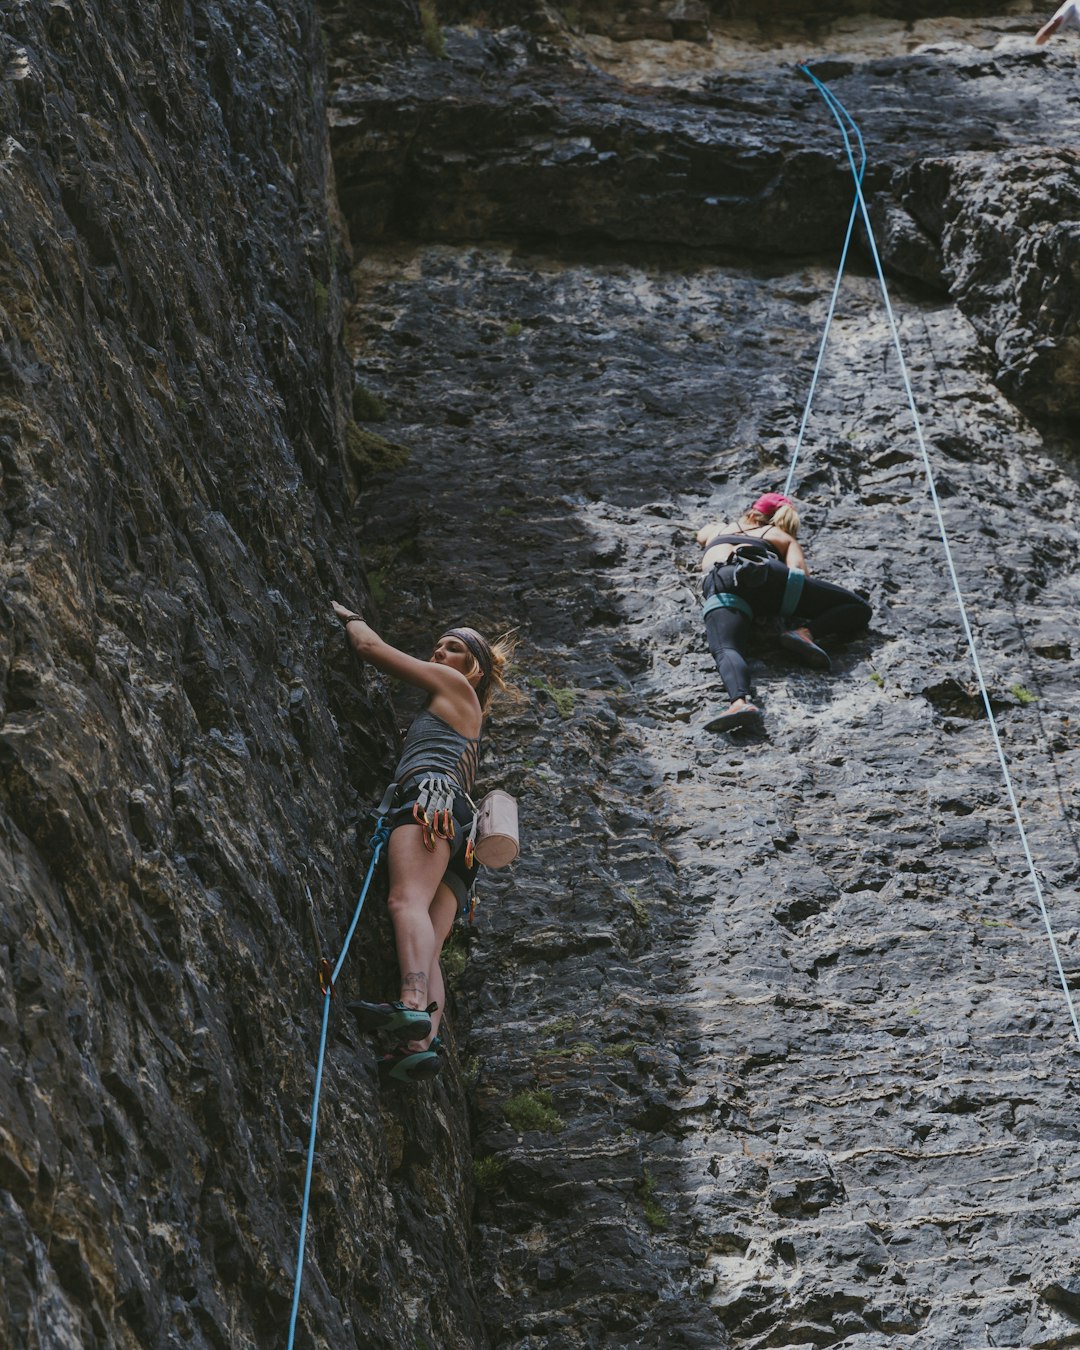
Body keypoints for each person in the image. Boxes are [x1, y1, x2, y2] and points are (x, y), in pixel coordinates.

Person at [331, 602, 510, 1083]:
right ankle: (419, 1045)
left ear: (472, 669)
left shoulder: (454, 688)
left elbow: (370, 648)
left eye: (453, 649)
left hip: (431, 802)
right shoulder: (468, 722)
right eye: (439, 644)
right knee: (430, 944)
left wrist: (350, 618)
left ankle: (411, 1002)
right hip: (463, 835)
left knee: (404, 899)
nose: (440, 651)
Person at [696, 492, 872, 733]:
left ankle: (740, 703)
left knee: (726, 647)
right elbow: (799, 571)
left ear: (751, 512)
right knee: (857, 607)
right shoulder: (779, 535)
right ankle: (805, 632)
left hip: (722, 581)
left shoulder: (716, 530)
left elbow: (700, 536)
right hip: (769, 577)